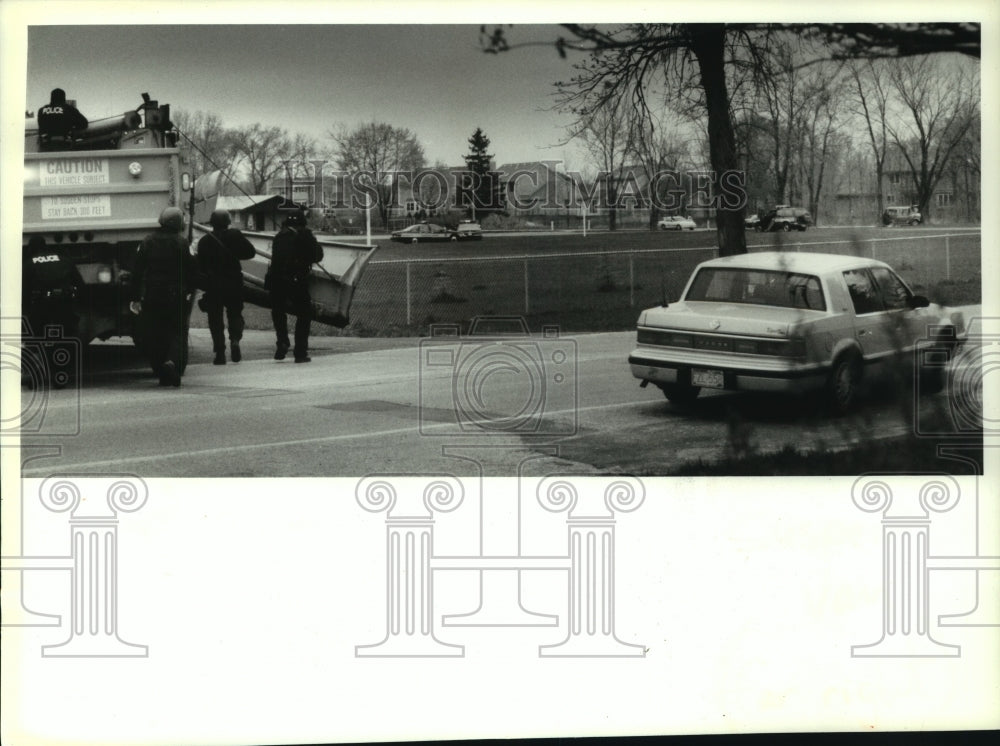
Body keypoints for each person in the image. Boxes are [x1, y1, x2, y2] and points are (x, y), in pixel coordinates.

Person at [131, 207, 197, 386]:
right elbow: (192, 270)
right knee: (177, 331)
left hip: (153, 295)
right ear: (178, 223)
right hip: (176, 295)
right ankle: (172, 362)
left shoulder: (147, 242)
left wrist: (136, 296)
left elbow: (137, 271)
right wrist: (190, 290)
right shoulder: (182, 243)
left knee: (155, 332)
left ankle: (161, 368)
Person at [21, 235, 83, 389]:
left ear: (31, 249)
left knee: (34, 339)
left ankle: (34, 376)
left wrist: (26, 312)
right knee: (66, 338)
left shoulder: (29, 264)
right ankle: (61, 375)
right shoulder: (64, 259)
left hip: (42, 304)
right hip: (64, 303)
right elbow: (80, 284)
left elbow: (24, 291)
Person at [196, 209, 256, 365]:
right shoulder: (235, 235)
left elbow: (200, 267)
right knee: (235, 313)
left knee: (215, 319)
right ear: (228, 222)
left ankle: (220, 353)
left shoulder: (204, 241)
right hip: (234, 282)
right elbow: (250, 253)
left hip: (214, 285)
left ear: (212, 222)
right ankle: (235, 340)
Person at [268, 211, 323, 363]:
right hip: (296, 280)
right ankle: (300, 351)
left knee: (278, 312)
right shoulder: (305, 235)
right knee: (304, 313)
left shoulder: (279, 236)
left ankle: (282, 341)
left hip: (276, 280)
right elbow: (317, 256)